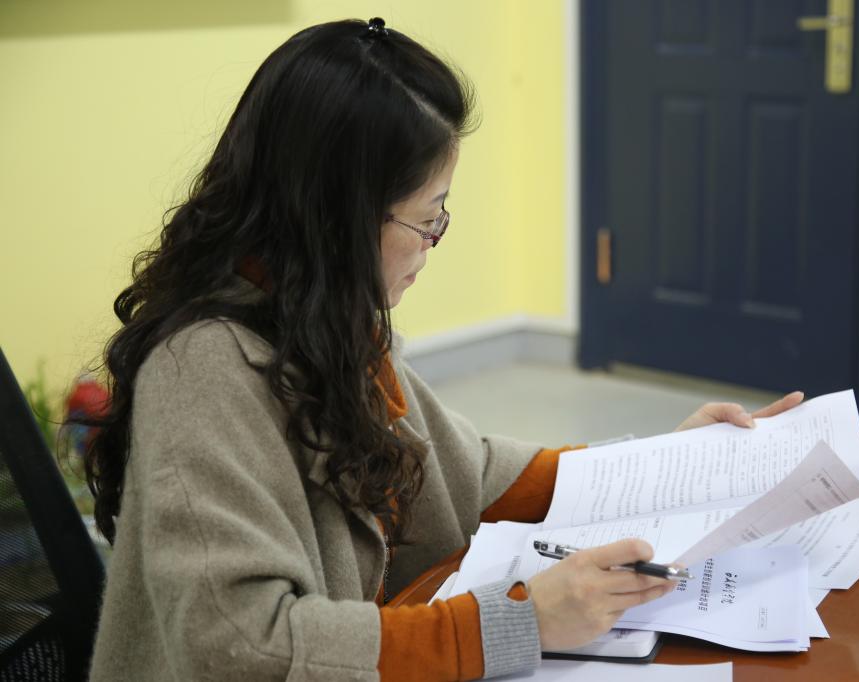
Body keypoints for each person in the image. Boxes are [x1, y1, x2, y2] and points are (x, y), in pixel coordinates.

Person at [82, 18, 803, 681]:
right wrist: (523, 622)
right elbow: (243, 645)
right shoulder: (202, 370)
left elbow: (465, 472)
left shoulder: (323, 320)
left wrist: (665, 466)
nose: (433, 242)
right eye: (428, 218)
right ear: (338, 218)